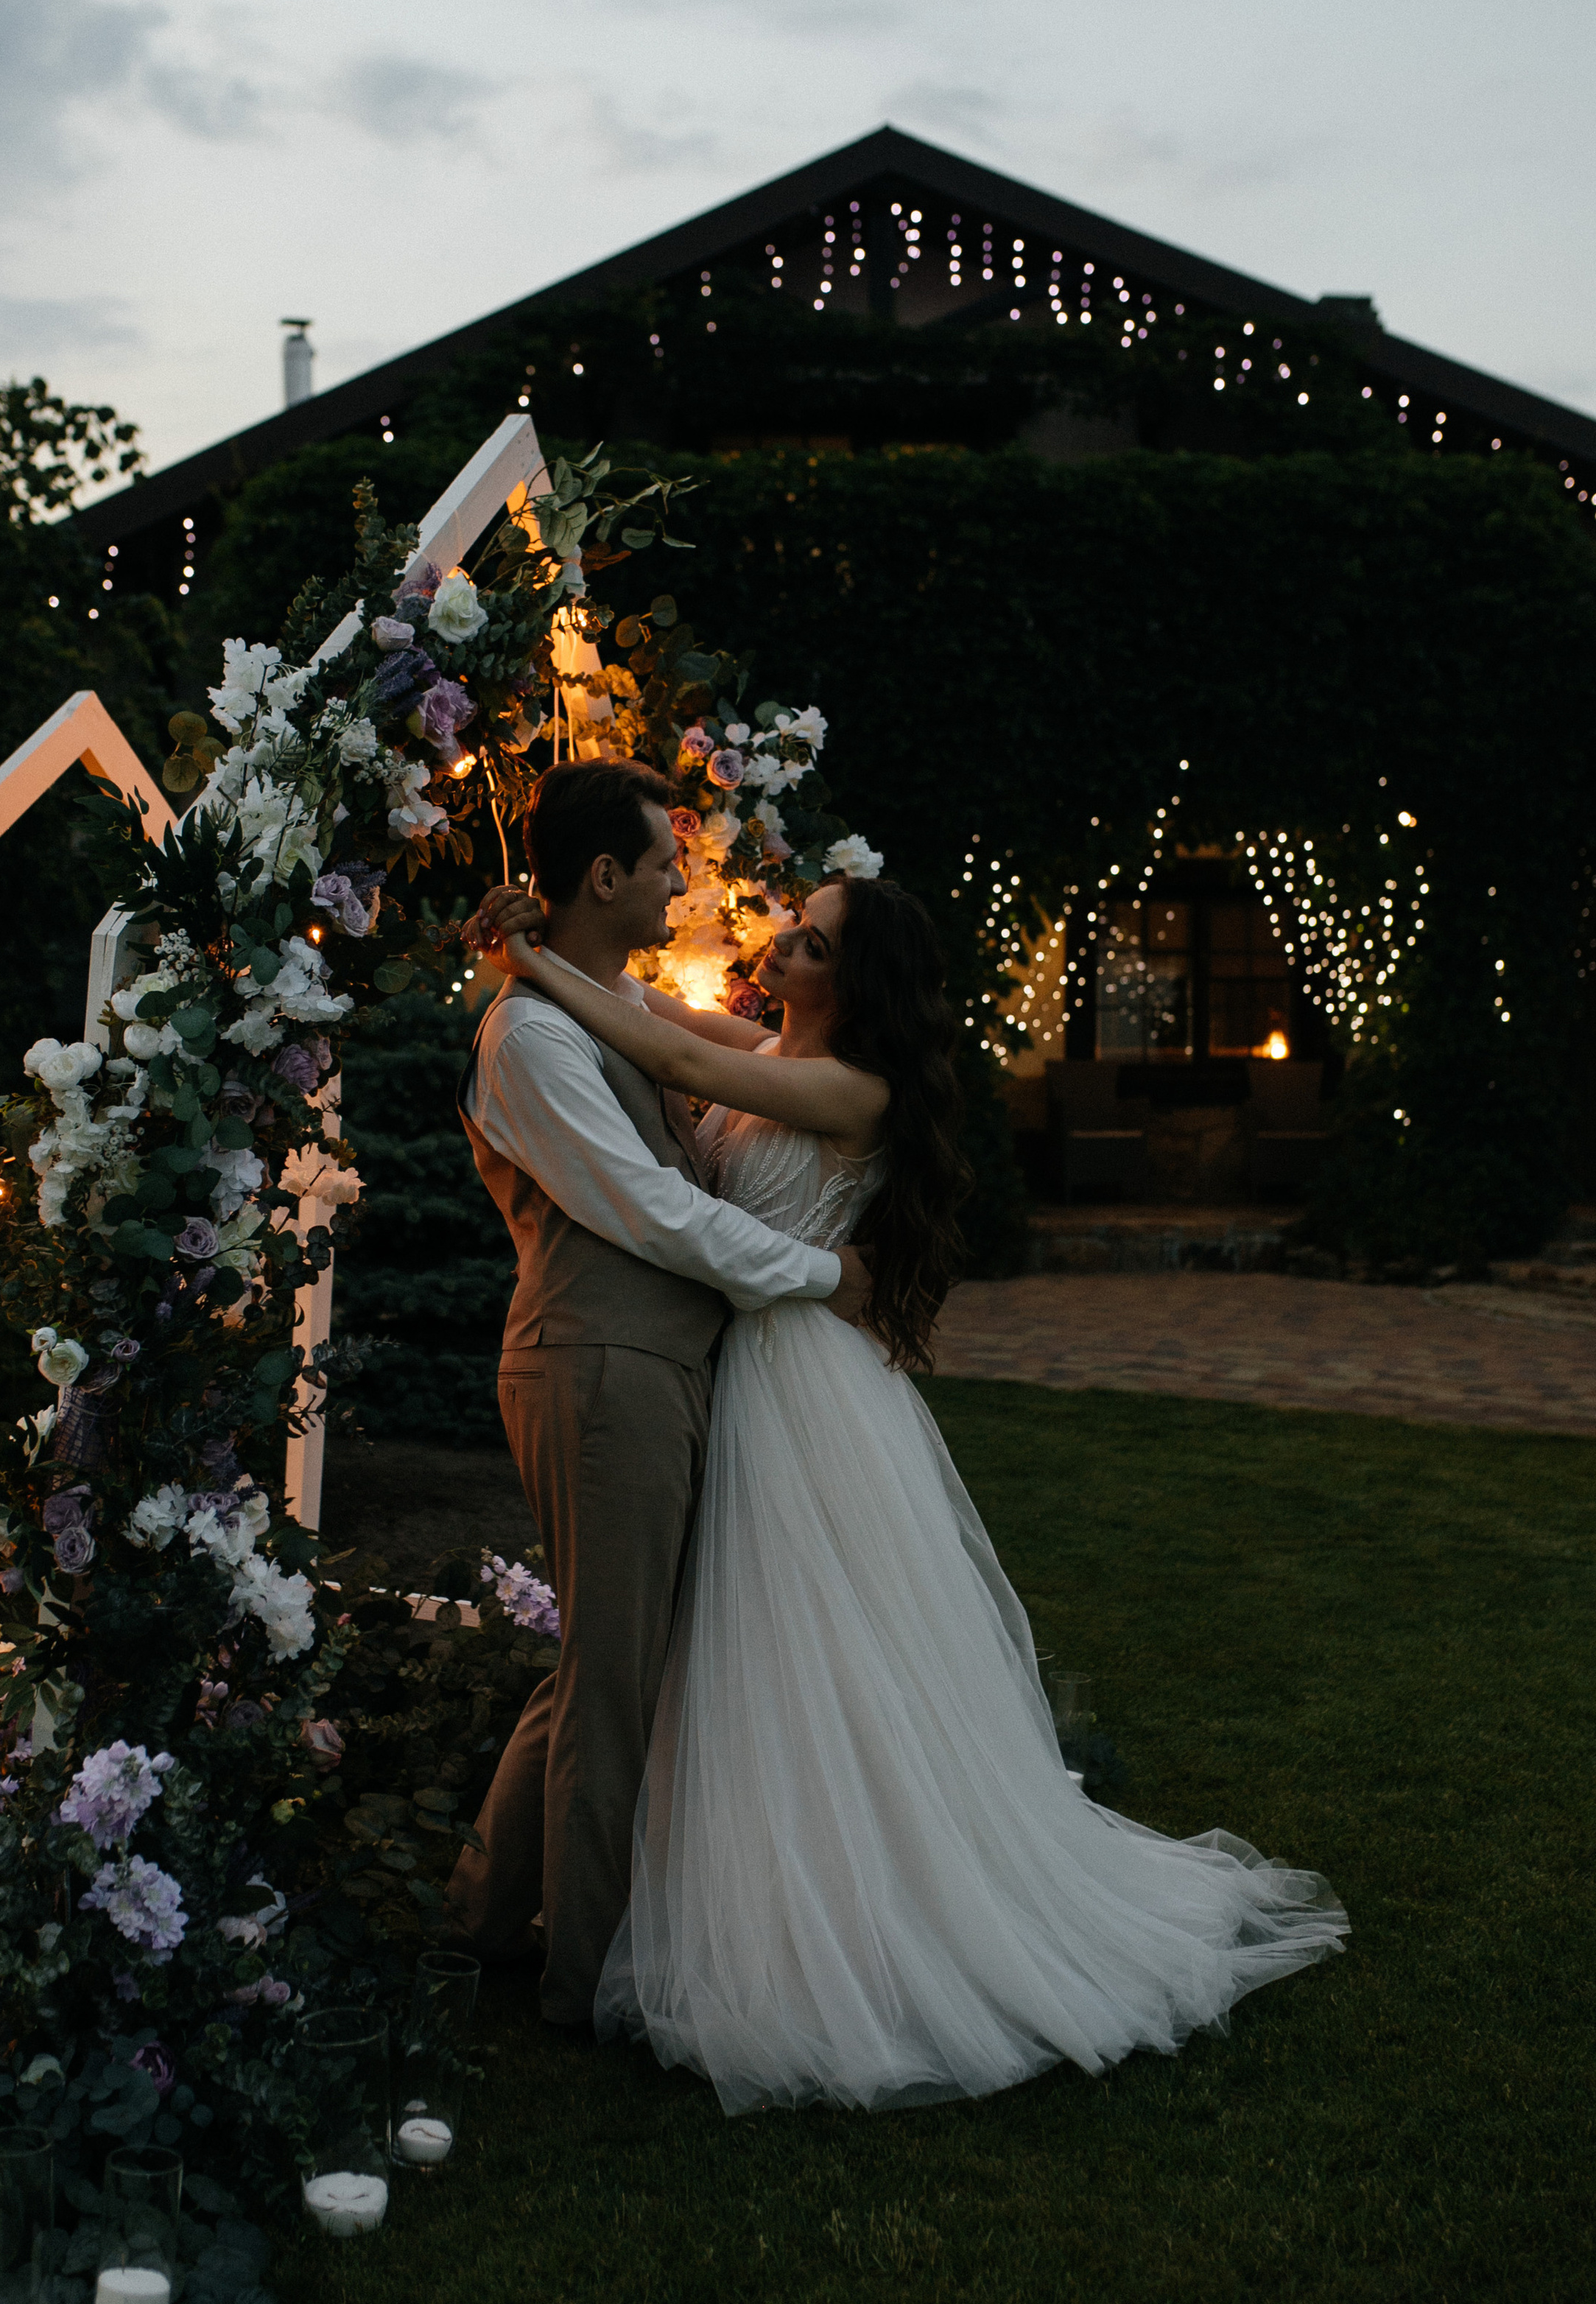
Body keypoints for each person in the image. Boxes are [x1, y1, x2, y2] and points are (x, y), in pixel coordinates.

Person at [478, 856, 1349, 2115]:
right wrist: (544, 949)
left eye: (814, 945)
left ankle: (852, 1909)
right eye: (793, 930)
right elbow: (656, 1016)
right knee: (737, 1643)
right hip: (753, 1358)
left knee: (804, 1644)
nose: (781, 946)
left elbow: (679, 1068)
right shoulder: (778, 1048)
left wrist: (530, 966)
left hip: (796, 1379)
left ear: (858, 983)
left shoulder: (848, 1089)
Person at [449, 759, 872, 2031]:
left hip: (650, 1367)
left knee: (597, 1666)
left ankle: (481, 1921)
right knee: (615, 1683)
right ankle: (583, 1983)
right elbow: (648, 1210)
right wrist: (816, 1277)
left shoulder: (593, 1003)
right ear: (603, 878)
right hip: (600, 1367)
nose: (687, 882)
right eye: (665, 862)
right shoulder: (528, 1037)